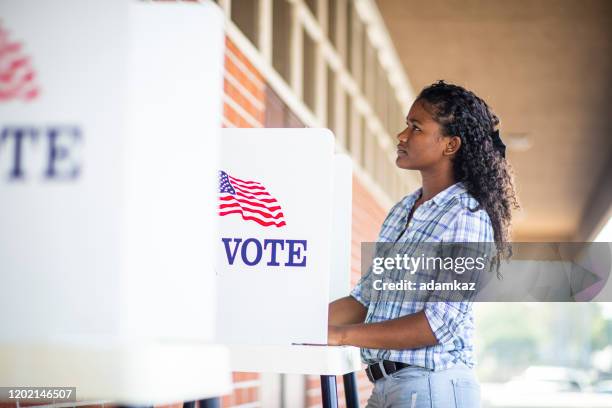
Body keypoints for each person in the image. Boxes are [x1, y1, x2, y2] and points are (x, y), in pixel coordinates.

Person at [327, 80, 519, 407]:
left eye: (416, 128)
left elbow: (438, 324)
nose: (401, 136)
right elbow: (365, 298)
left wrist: (340, 335)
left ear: (450, 145)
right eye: (406, 126)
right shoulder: (402, 211)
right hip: (388, 386)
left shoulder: (467, 217)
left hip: (432, 387)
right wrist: (300, 322)